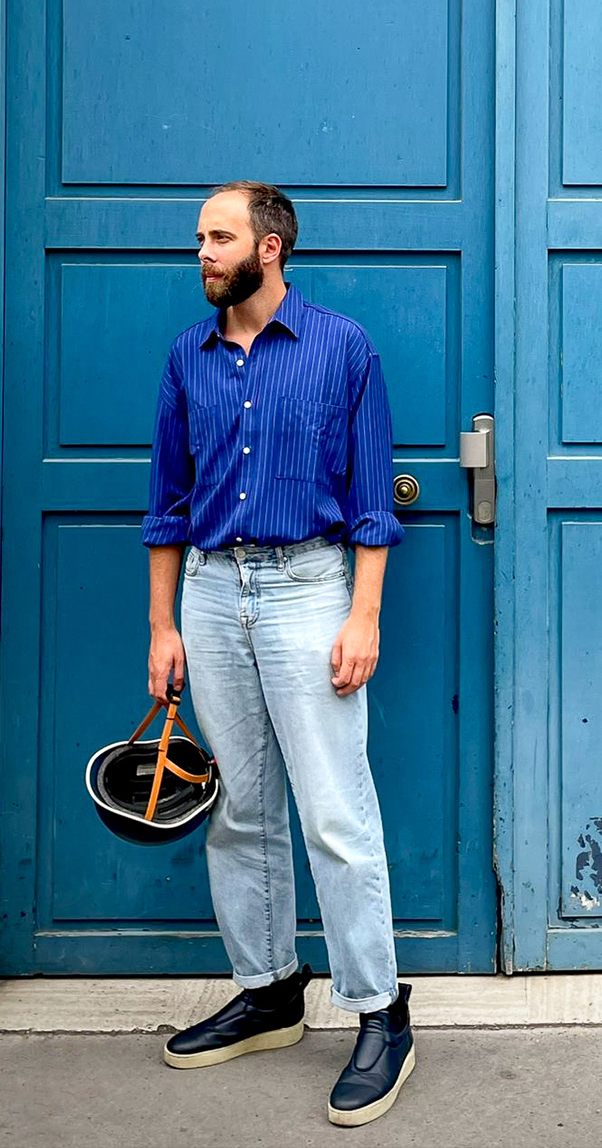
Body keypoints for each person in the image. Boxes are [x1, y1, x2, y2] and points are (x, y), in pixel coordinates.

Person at [141, 180, 413, 1127]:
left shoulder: (343, 348)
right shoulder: (188, 357)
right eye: (199, 239)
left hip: (309, 591)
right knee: (240, 812)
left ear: (269, 247)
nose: (202, 253)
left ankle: (381, 1009)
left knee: (336, 811)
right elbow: (166, 507)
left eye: (218, 237)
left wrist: (363, 618)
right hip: (212, 596)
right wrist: (163, 625)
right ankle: (269, 989)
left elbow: (375, 500)